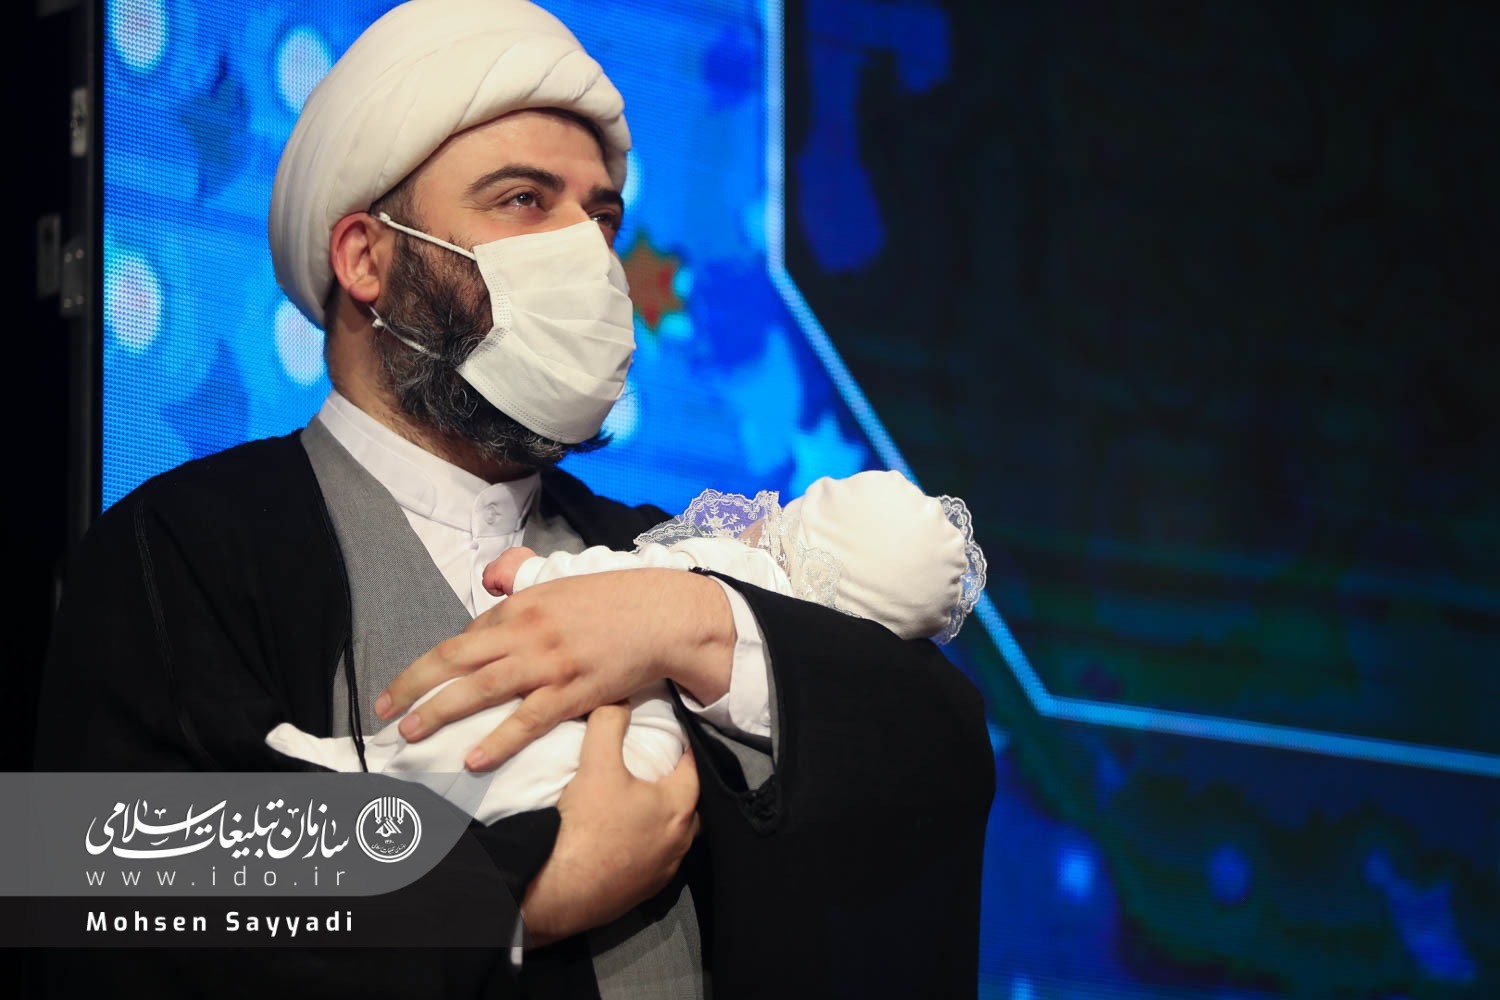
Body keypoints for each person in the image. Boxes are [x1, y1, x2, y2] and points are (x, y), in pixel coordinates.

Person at [32, 1, 995, 996]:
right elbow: (104, 874)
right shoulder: (186, 546)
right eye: (524, 200)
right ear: (365, 257)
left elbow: (935, 754)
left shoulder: (659, 557)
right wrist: (519, 891)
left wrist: (693, 624)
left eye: (601, 218)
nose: (587, 255)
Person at [264, 469, 989, 825]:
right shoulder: (223, 524)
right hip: (646, 744)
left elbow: (609, 588)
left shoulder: (729, 572)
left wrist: (534, 574)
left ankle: (366, 771)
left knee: (486, 740)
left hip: (617, 735)